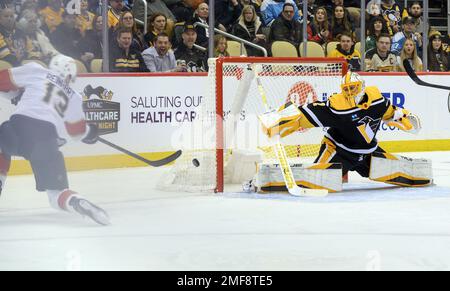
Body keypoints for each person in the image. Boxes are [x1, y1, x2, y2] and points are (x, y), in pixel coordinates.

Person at [261, 71, 429, 187]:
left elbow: (392, 113)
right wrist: (276, 120)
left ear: (362, 86)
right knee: (316, 181)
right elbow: (303, 114)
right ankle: (271, 178)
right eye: (346, 89)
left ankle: (347, 170)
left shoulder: (377, 100)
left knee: (410, 177)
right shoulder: (337, 106)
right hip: (339, 150)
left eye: (353, 88)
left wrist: (407, 120)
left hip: (368, 152)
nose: (349, 92)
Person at [0, 55, 110, 225]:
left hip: (19, 127)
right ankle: (75, 200)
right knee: (56, 194)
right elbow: (76, 133)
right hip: (47, 139)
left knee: (2, 144)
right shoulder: (74, 96)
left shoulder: (36, 70)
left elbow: (2, 80)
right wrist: (91, 132)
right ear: (70, 76)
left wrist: (16, 95)